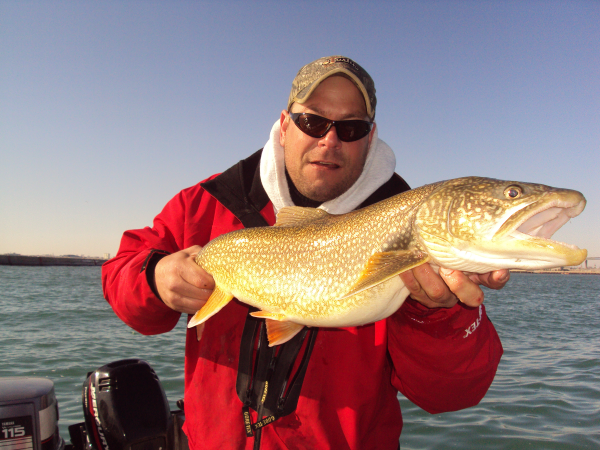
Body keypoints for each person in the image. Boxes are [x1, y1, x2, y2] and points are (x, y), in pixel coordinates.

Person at [102, 56, 507, 450]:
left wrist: (438, 313)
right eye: (312, 121)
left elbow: (452, 394)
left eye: (350, 128)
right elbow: (120, 277)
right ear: (283, 125)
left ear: (371, 136)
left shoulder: (410, 226)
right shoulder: (206, 203)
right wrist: (154, 277)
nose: (328, 141)